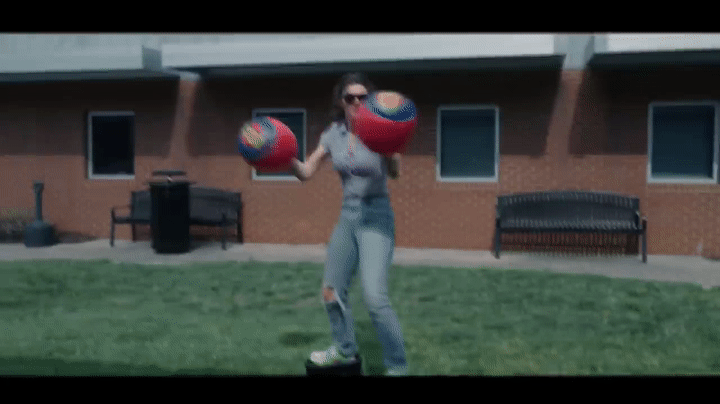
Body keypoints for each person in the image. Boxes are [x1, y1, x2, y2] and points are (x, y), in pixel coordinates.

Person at [289, 72, 408, 376]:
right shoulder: (334, 134)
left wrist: (393, 149)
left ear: (370, 100)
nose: (356, 102)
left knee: (375, 297)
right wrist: (282, 157)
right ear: (341, 102)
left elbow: (395, 173)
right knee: (330, 291)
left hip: (376, 215)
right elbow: (306, 172)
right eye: (350, 97)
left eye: (362, 97)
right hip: (348, 216)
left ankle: (397, 366)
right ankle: (344, 350)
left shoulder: (380, 128)